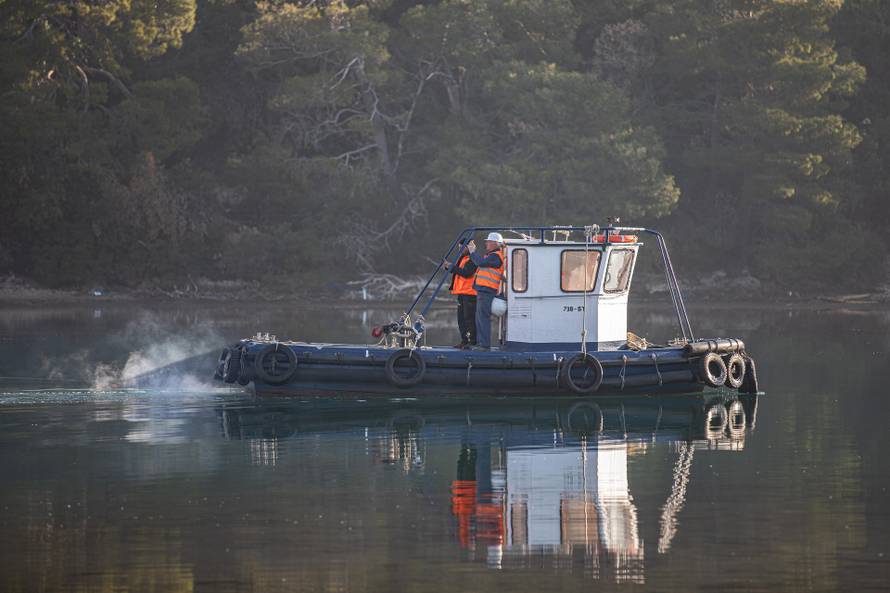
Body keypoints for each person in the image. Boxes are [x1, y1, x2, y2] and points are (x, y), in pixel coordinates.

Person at [467, 232, 505, 351]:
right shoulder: (492, 256)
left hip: (487, 290)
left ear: (495, 243)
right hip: (484, 290)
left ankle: (484, 345)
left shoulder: (496, 256)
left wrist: (472, 252)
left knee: (483, 317)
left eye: (489, 241)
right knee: (480, 317)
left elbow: (480, 263)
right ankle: (481, 343)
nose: (486, 243)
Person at [444, 241, 477, 349]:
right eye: (459, 247)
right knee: (461, 319)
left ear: (468, 247)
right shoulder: (462, 258)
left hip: (470, 294)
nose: (460, 249)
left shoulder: (473, 259)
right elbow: (457, 270)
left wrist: (452, 267)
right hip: (462, 293)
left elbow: (467, 273)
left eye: (462, 247)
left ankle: (472, 342)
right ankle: (464, 341)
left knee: (469, 319)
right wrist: (448, 267)